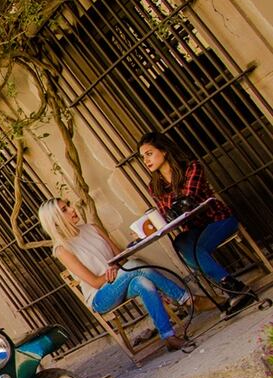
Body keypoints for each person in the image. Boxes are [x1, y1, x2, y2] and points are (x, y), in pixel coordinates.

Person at [38, 197, 213, 351]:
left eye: (68, 205)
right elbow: (95, 282)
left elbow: (121, 257)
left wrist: (131, 247)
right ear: (55, 221)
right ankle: (189, 299)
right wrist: (117, 270)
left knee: (144, 281)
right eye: (64, 210)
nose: (72, 209)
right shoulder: (62, 249)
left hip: (123, 279)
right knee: (136, 266)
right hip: (101, 296)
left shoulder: (92, 228)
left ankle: (168, 336)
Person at [138, 132, 255, 312]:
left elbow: (187, 201)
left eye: (149, 153)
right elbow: (165, 215)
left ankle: (234, 290)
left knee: (195, 251)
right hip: (195, 229)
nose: (146, 161)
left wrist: (172, 212)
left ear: (164, 151)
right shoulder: (155, 186)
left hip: (218, 219)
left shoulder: (191, 168)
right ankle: (236, 288)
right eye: (143, 157)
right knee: (181, 243)